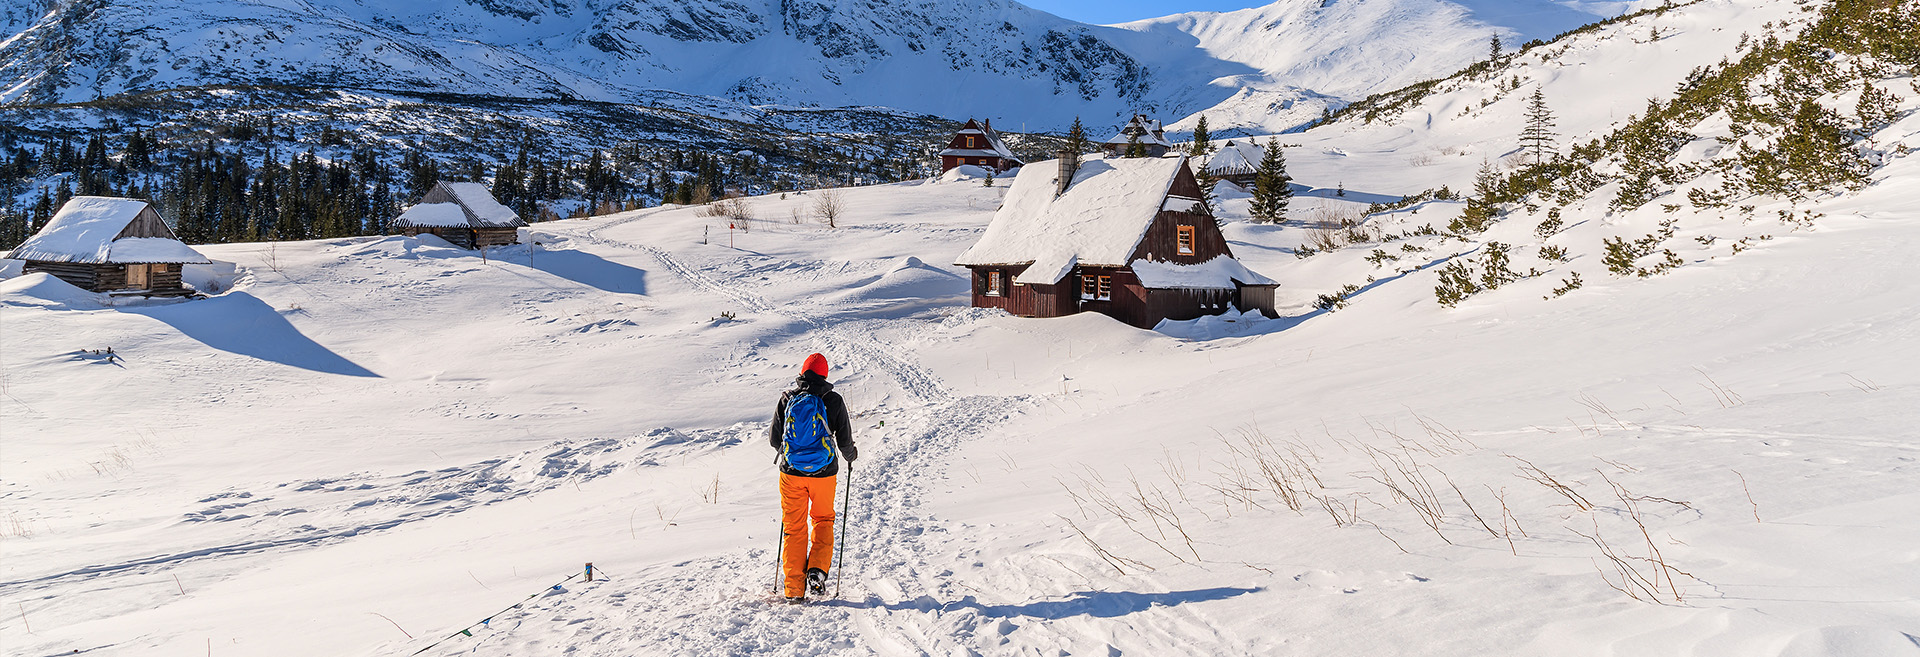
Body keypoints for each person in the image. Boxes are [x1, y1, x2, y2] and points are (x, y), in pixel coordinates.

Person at [768, 352, 856, 603]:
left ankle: (793, 589)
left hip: (791, 474)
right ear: (825, 375)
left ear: (802, 373)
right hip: (824, 474)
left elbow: (775, 440)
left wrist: (794, 456)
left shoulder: (788, 399)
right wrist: (851, 456)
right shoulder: (834, 400)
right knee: (823, 519)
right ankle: (817, 571)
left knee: (794, 527)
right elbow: (845, 441)